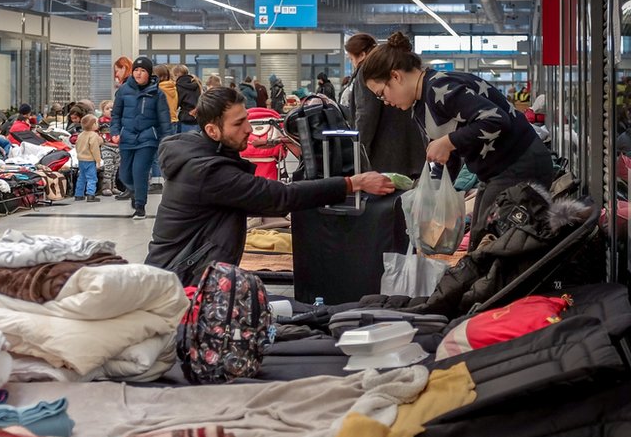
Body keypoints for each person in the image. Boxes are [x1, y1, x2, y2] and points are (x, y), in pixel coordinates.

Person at [145, 86, 394, 284]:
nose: (248, 129)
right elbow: (278, 197)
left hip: (180, 272)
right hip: (181, 280)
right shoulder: (206, 172)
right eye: (238, 124)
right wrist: (353, 183)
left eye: (246, 119)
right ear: (212, 130)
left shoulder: (199, 151)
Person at [362, 31, 555, 251]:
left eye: (381, 93)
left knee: (488, 243)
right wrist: (432, 194)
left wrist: (448, 141)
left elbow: (495, 119)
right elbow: (448, 157)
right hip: (498, 170)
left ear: (395, 76)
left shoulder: (437, 89)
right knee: (478, 239)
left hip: (520, 163)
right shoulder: (420, 104)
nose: (385, 101)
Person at [345, 32, 425, 178]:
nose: (353, 63)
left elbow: (366, 115)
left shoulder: (369, 73)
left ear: (362, 55)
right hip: (410, 150)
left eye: (351, 59)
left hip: (386, 156)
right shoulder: (391, 63)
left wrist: (359, 156)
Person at [110, 56, 173, 220]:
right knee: (124, 174)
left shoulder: (157, 93)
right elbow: (116, 114)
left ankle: (140, 206)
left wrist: (167, 140)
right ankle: (135, 191)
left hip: (147, 138)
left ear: (149, 73)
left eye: (143, 70)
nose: (138, 73)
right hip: (127, 138)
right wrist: (115, 131)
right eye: (136, 70)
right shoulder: (123, 91)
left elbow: (164, 119)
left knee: (140, 171)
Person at [74, 114, 104, 202]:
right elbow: (95, 149)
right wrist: (98, 160)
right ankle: (90, 194)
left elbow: (77, 146)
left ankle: (78, 194)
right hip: (90, 160)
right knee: (92, 178)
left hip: (81, 159)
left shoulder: (80, 135)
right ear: (93, 125)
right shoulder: (93, 135)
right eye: (97, 123)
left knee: (82, 177)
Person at [173, 64, 200, 133]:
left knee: (184, 142)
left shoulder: (179, 86)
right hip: (197, 118)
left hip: (186, 118)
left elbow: (176, 104)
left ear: (176, 75)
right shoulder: (196, 83)